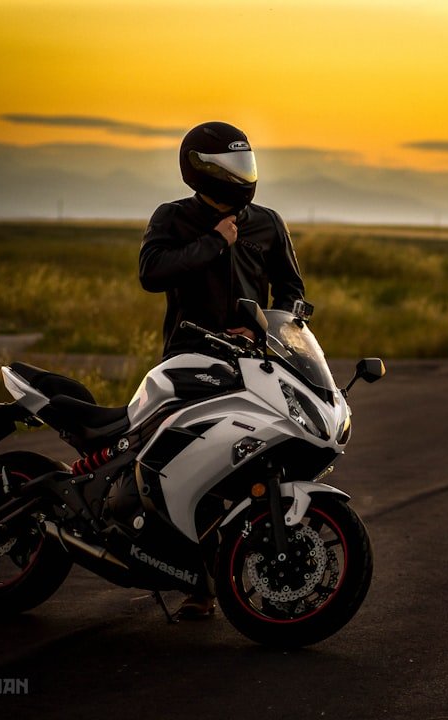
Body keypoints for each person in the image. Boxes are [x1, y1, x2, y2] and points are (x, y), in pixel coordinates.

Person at [138, 121, 306, 618]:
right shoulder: (172, 219)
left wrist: (271, 331)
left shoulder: (268, 223)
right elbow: (151, 273)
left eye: (245, 164)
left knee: (246, 465)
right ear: (201, 170)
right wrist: (213, 243)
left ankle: (229, 570)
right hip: (189, 362)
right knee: (184, 468)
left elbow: (291, 291)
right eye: (231, 167)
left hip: (252, 366)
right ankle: (196, 583)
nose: (242, 175)